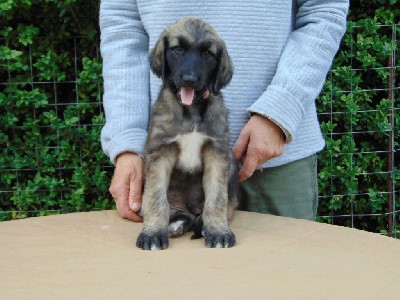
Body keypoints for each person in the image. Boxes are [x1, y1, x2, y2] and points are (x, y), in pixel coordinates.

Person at [99, 0, 349, 222]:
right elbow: (123, 28)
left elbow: (324, 9)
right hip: (165, 165)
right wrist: (127, 141)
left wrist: (280, 109)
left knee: (282, 270)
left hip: (273, 161)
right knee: (169, 273)